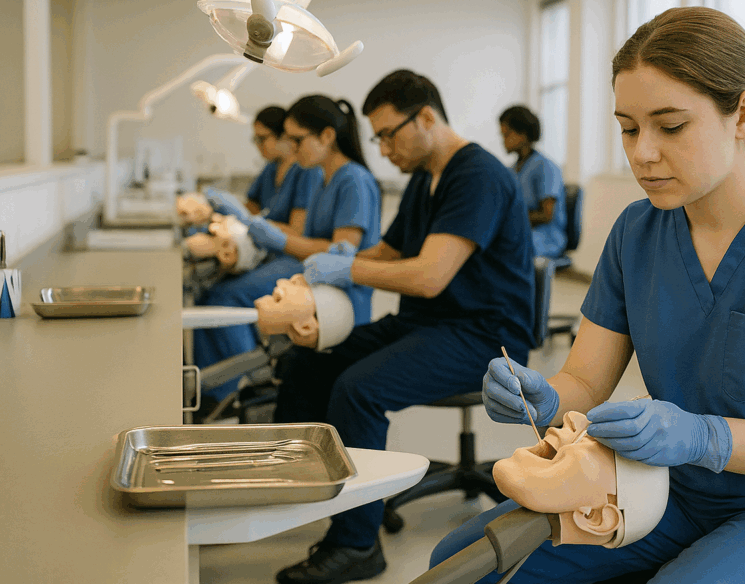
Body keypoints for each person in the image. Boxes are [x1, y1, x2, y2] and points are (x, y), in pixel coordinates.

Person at [431, 6, 745, 584]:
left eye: (671, 127)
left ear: (743, 114)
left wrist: (703, 435)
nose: (641, 153)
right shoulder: (637, 231)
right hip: (666, 489)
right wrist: (545, 399)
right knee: (463, 563)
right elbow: (585, 379)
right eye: (628, 128)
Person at [272, 69, 535, 584]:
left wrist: (346, 269)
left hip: (483, 336)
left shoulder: (476, 175)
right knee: (306, 360)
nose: (382, 148)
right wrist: (321, 275)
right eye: (378, 137)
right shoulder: (422, 179)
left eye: (388, 134)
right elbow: (389, 253)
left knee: (360, 389)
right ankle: (317, 494)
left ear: (428, 118)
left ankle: (356, 544)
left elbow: (431, 276)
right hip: (426, 324)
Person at [192, 97, 381, 403]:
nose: (291, 148)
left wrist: (275, 238)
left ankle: (235, 392)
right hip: (309, 276)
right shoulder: (323, 177)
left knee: (228, 298)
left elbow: (341, 254)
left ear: (327, 136)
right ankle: (224, 394)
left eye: (297, 140)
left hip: (339, 301)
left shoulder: (354, 181)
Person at [499, 105, 567, 258]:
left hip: (547, 237)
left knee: (505, 247)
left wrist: (510, 217)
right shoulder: (511, 170)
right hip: (523, 231)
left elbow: (546, 215)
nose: (503, 141)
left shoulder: (546, 167)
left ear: (523, 135)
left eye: (507, 135)